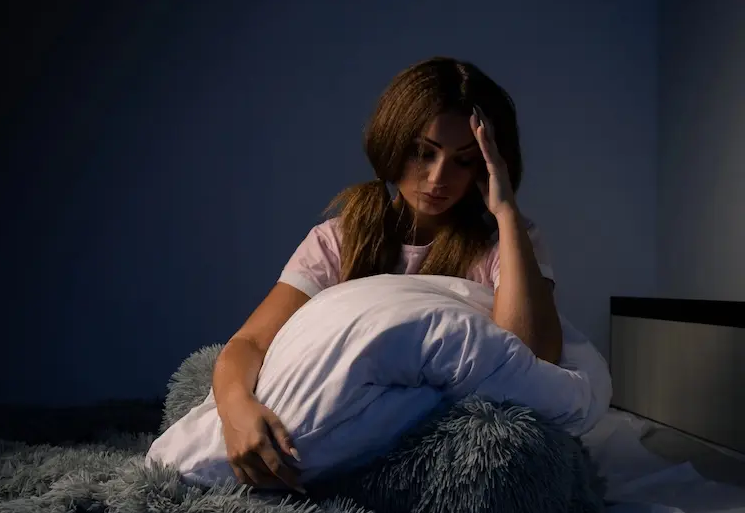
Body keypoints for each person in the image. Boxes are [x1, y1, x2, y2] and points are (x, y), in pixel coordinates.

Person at [211, 56, 563, 492]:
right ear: (394, 142)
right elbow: (249, 343)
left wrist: (506, 212)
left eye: (464, 161)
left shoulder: (508, 240)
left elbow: (529, 362)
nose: (438, 178)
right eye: (423, 152)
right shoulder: (339, 239)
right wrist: (236, 408)